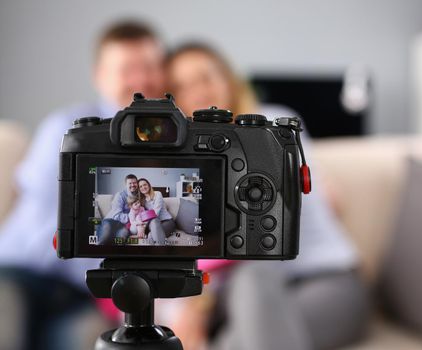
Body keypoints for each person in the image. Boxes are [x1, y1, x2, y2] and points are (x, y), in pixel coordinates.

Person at [164, 42, 369, 350]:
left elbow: (271, 226)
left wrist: (200, 303)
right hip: (243, 293)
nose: (198, 91)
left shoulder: (274, 124)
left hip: (324, 282)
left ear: (228, 80)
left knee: (250, 294)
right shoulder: (185, 163)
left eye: (206, 77)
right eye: (183, 85)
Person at [0, 20, 166, 350]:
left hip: (85, 295)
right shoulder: (67, 127)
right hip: (21, 272)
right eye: (127, 68)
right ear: (100, 76)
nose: (140, 79)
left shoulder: (169, 146)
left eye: (149, 66)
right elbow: (62, 208)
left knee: (86, 339)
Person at [98, 174, 168, 246]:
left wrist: (140, 224)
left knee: (122, 238)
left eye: (134, 183)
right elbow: (116, 215)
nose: (132, 185)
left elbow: (145, 213)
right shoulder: (120, 195)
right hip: (112, 221)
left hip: (124, 226)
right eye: (130, 183)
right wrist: (135, 218)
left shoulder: (140, 197)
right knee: (105, 238)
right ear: (126, 184)